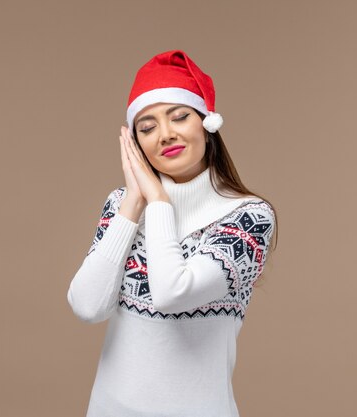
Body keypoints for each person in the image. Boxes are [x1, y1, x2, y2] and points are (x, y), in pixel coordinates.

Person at [67, 49, 278, 417]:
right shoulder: (122, 205)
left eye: (180, 116)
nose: (165, 135)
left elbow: (172, 293)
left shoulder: (249, 218)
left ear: (207, 124)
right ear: (136, 144)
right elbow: (87, 306)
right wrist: (133, 202)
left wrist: (159, 201)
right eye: (147, 128)